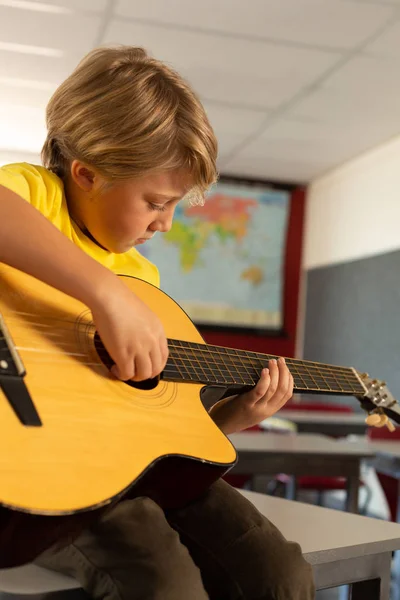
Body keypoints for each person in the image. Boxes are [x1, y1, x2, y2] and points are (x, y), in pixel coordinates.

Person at [0, 45, 315, 600]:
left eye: (174, 206)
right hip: (50, 471)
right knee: (166, 582)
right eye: (154, 201)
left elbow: (137, 430)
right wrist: (103, 293)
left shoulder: (142, 276)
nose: (166, 224)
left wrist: (226, 418)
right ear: (86, 174)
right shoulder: (35, 194)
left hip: (124, 470)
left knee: (280, 572)